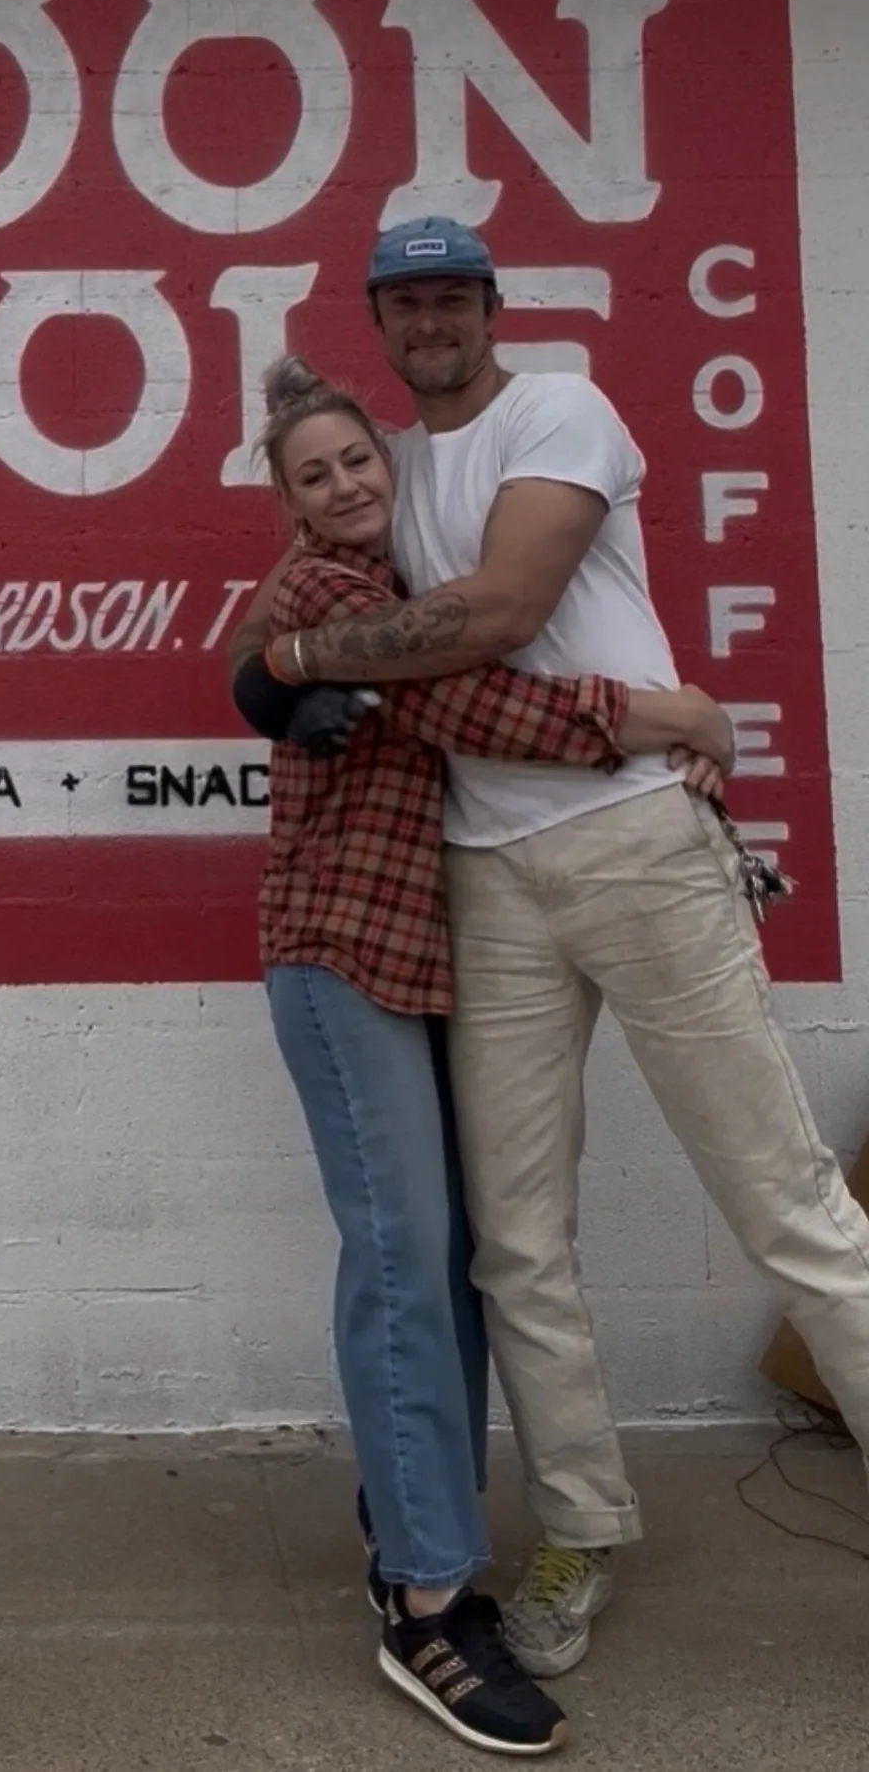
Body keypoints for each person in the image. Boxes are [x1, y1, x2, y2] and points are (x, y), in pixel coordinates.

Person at [231, 216, 869, 1681]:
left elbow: (498, 613)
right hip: (482, 875)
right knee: (515, 1245)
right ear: (380, 319)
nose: (433, 319)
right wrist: (270, 662)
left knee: (790, 1212)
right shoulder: (379, 476)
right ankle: (580, 1525)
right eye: (408, 300)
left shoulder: (555, 408)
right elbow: (289, 608)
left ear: (491, 307)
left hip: (634, 835)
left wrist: (307, 665)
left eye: (455, 294)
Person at [241, 352, 731, 1754]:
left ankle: (409, 1510)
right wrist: (667, 714)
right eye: (313, 472)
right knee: (404, 1251)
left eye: (357, 461)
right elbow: (474, 709)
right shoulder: (336, 597)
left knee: (445, 1247)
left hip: (420, 955)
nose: (344, 484)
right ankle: (425, 1597)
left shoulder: (401, 593)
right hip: (341, 955)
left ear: (388, 471)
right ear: (285, 504)